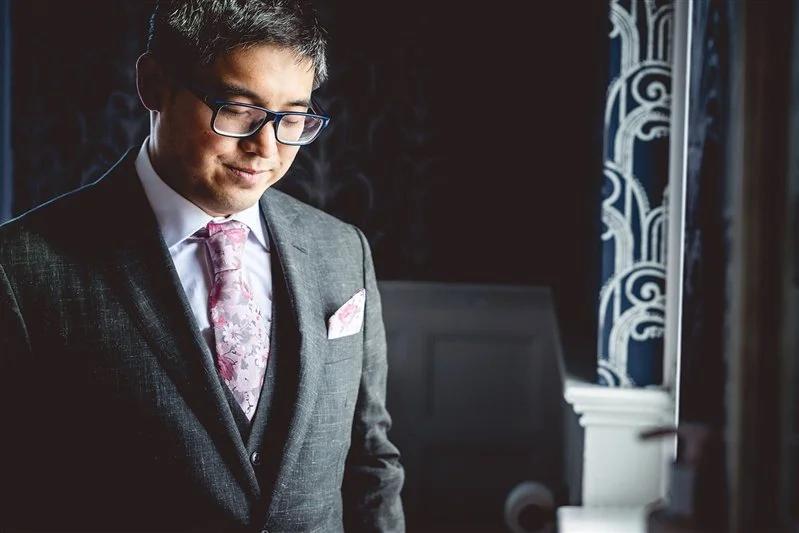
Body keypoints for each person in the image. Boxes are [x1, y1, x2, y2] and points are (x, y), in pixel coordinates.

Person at [0, 1, 405, 531]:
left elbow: (371, 461)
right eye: (238, 109)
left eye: (293, 118)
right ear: (153, 84)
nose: (266, 148)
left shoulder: (342, 249)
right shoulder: (20, 267)